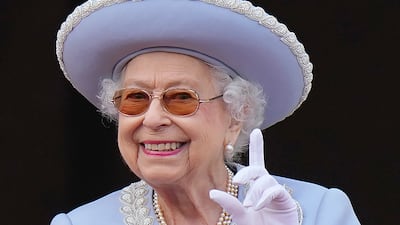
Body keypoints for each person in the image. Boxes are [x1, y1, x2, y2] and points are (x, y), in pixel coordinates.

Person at [51, 0, 360, 224]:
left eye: (182, 98)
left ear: (236, 116)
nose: (154, 118)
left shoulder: (321, 212)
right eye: (135, 98)